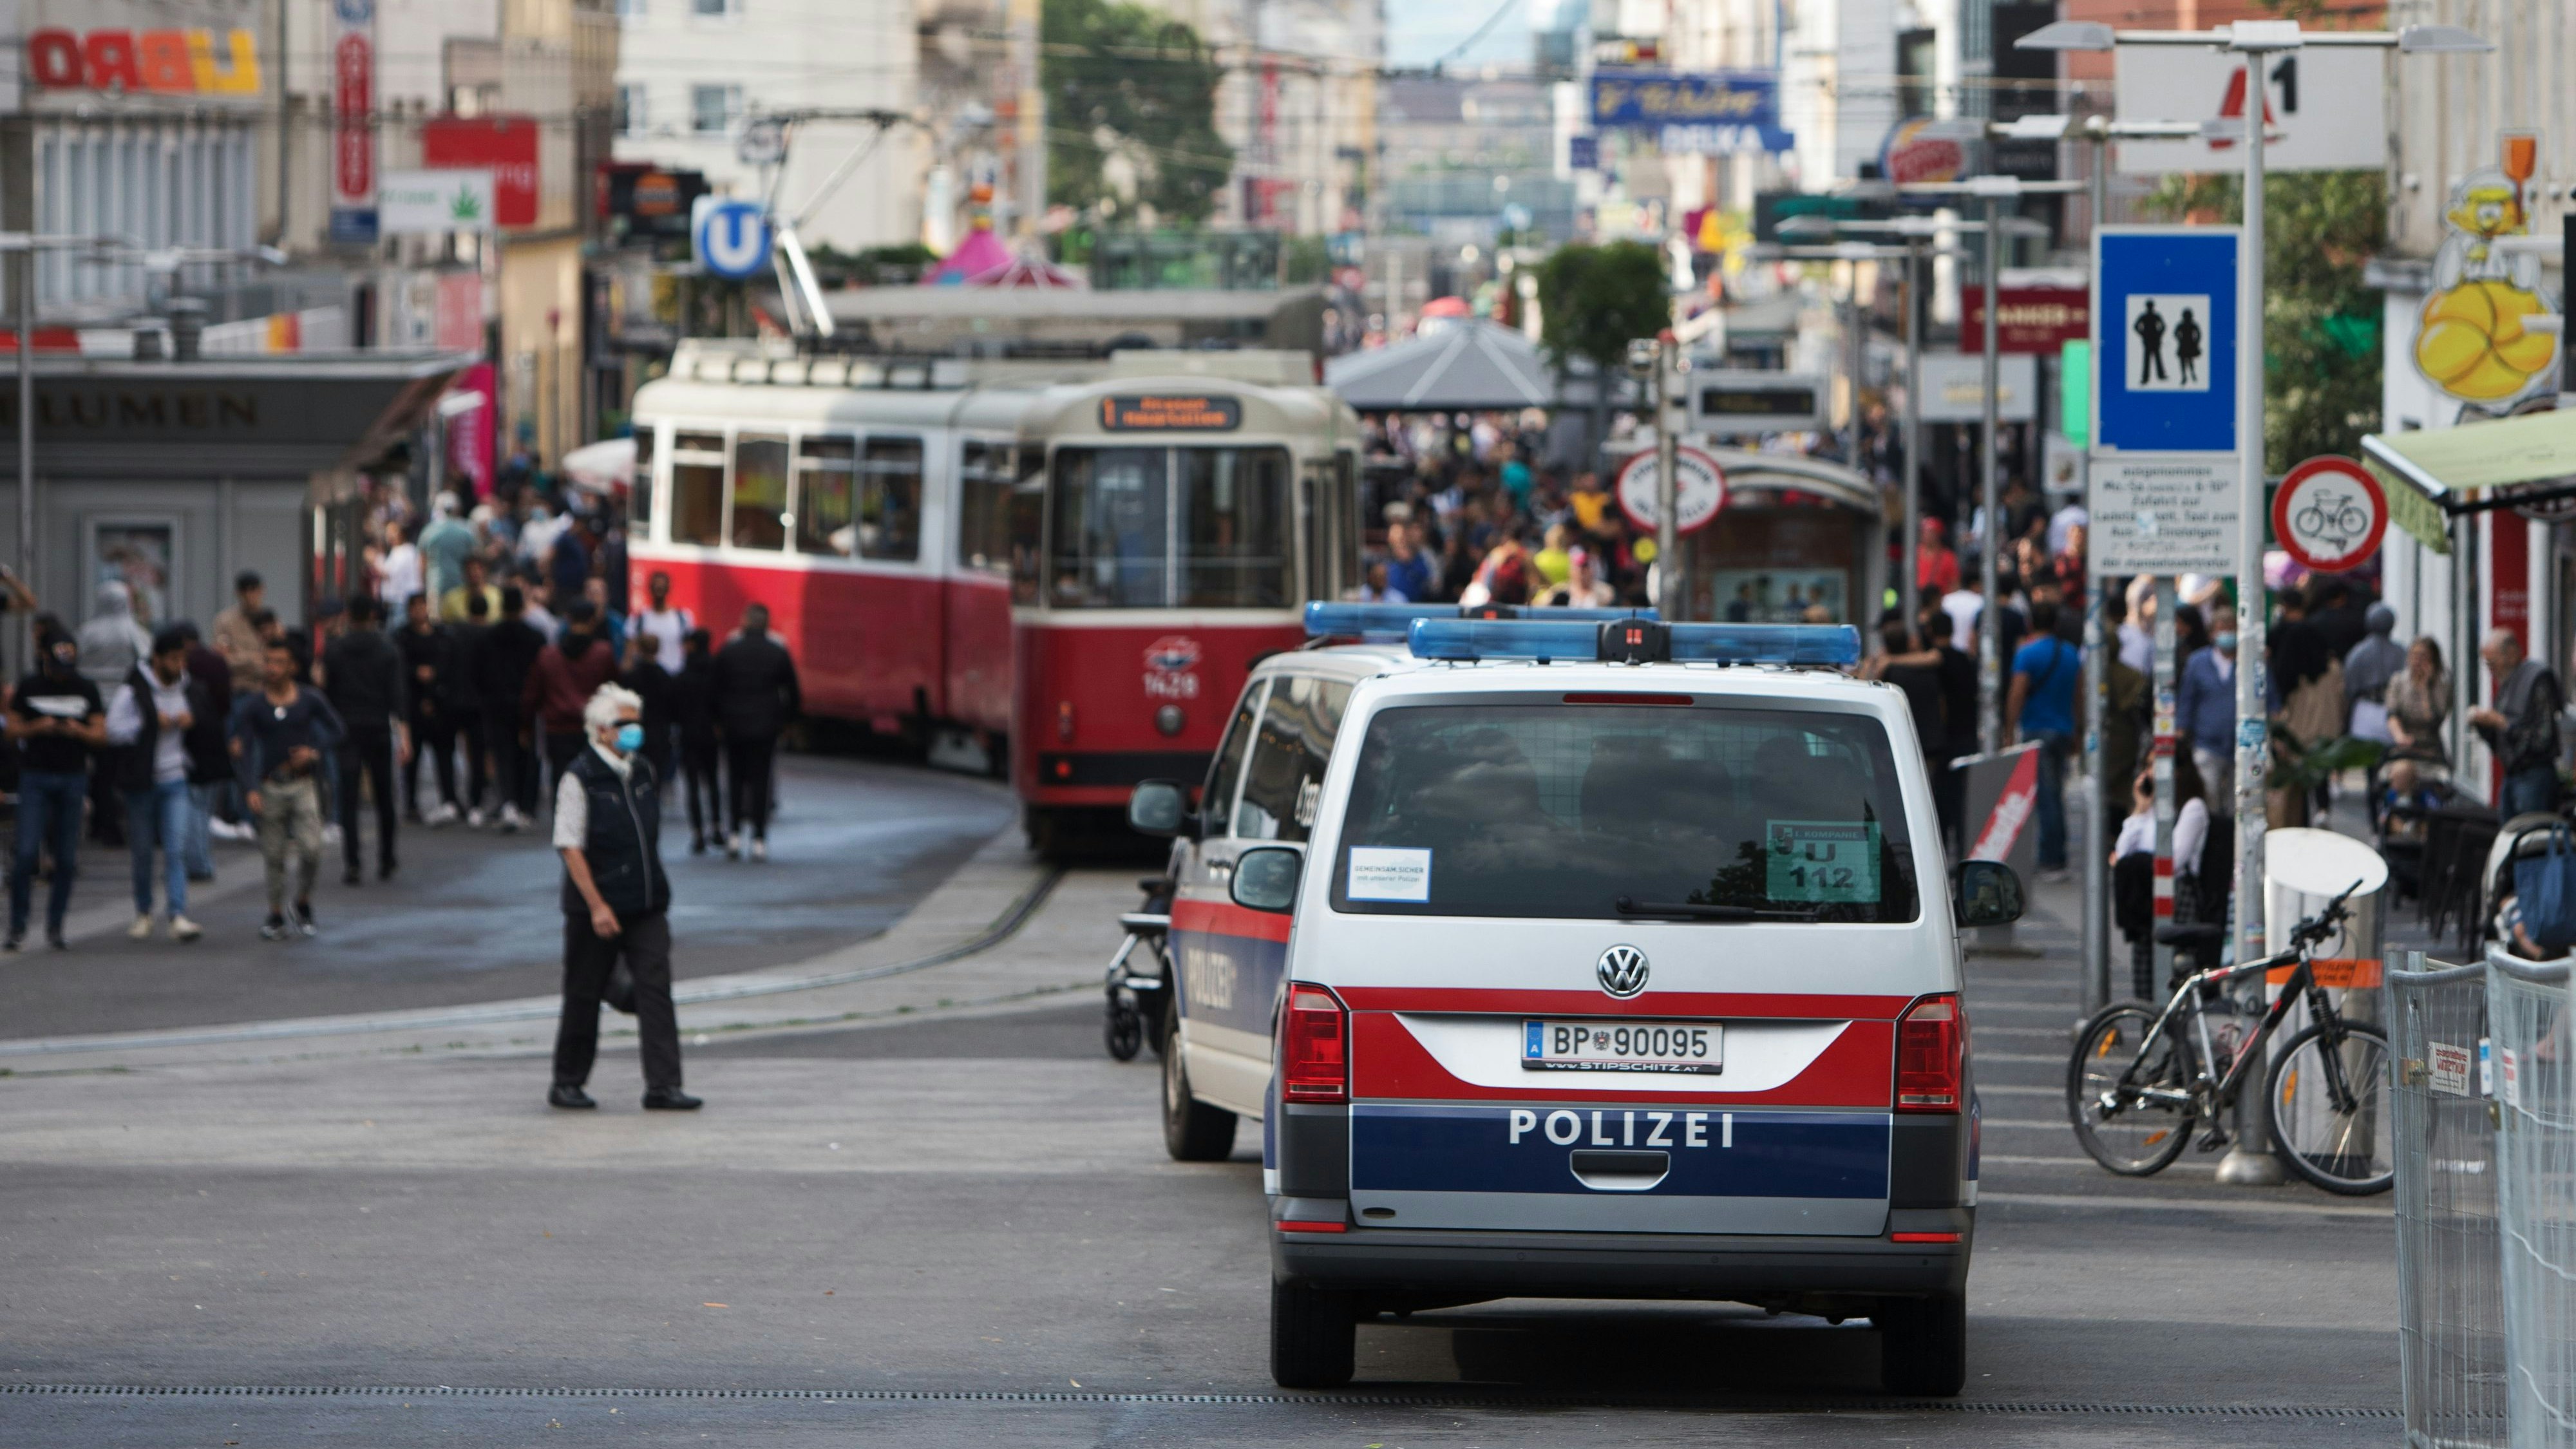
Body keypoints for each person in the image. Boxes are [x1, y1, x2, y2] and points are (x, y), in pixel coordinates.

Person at [549, 681, 699, 1113]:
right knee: (584, 991)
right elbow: (569, 845)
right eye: (625, 724)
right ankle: (567, 1081)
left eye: (637, 723)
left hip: (647, 901)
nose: (635, 731)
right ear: (601, 731)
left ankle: (664, 1085)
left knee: (656, 991)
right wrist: (596, 905)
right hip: (595, 905)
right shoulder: (580, 778)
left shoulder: (642, 771)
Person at [106, 627, 220, 942]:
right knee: (142, 851)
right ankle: (144, 911)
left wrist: (191, 720)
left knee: (176, 848)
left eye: (183, 658)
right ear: (157, 659)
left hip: (175, 778)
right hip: (141, 782)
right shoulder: (134, 689)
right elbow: (113, 730)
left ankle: (177, 913)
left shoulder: (188, 688)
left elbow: (209, 720)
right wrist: (150, 723)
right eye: (173, 659)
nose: (179, 665)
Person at [234, 641, 346, 940]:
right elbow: (241, 748)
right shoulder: (255, 705)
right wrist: (249, 788)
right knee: (274, 855)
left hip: (303, 784)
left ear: (292, 667)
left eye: (279, 662)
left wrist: (314, 752)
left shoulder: (309, 699)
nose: (272, 668)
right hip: (270, 786)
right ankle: (275, 914)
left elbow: (337, 729)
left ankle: (303, 902)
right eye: (268, 661)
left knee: (311, 848)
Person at [7, 632, 106, 951]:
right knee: (24, 853)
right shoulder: (30, 686)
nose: (65, 674)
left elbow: (101, 734)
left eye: (69, 666)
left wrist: (79, 730)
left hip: (72, 776)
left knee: (65, 857)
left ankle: (56, 924)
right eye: (59, 666)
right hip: (35, 777)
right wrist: (38, 727)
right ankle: (17, 924)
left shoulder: (86, 688)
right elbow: (11, 728)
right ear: (46, 659)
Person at [321, 594, 411, 884]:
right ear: (373, 616)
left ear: (348, 615)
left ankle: (353, 861)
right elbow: (398, 697)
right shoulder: (387, 649)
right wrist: (405, 736)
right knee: (385, 795)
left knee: (348, 796)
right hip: (377, 726)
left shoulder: (335, 650)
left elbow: (325, 689)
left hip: (346, 727)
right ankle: (387, 857)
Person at [711, 603, 801, 860]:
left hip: (734, 724)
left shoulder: (729, 651)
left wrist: (718, 719)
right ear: (767, 623)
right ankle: (760, 837)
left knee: (736, 779)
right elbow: (793, 693)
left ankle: (735, 834)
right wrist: (786, 723)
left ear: (746, 622)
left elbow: (714, 689)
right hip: (766, 726)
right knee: (761, 781)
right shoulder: (777, 653)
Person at [2005, 598, 2083, 879]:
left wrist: (2008, 730)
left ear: (2030, 624)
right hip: (2063, 730)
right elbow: (2079, 695)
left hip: (2037, 730)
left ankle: (2052, 858)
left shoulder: (2027, 654)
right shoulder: (2072, 653)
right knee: (2055, 792)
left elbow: (2016, 694)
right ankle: (2053, 853)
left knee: (2047, 797)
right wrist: (2078, 730)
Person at [525, 599, 621, 810]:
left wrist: (526, 727)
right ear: (593, 621)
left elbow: (533, 695)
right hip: (593, 728)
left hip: (557, 729)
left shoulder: (548, 655)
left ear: (568, 620)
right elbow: (613, 691)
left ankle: (566, 831)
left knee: (562, 781)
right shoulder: (603, 653)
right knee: (594, 783)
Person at [471, 585, 548, 832]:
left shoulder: (488, 638)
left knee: (502, 754)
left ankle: (508, 801)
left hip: (496, 705)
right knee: (527, 755)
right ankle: (527, 805)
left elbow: (479, 672)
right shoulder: (536, 637)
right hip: (527, 705)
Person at [2470, 629, 2561, 820]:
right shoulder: (2507, 685)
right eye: (2487, 664)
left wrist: (2504, 724)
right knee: (2509, 840)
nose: (2491, 670)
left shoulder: (2537, 679)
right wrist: (2482, 724)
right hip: (2512, 775)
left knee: (2531, 839)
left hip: (2535, 776)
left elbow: (2544, 738)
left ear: (2511, 654)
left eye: (2493, 663)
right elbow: (2498, 743)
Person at [396, 592, 460, 825]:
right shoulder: (402, 638)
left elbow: (450, 665)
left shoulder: (442, 636)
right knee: (413, 759)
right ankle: (411, 803)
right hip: (413, 705)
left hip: (440, 705)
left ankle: (450, 799)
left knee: (445, 755)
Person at [2177, 601, 2239, 805]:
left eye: (2232, 629)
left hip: (2243, 745)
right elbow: (2187, 699)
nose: (2227, 634)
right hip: (2207, 744)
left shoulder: (2251, 661)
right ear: (2212, 633)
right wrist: (2180, 729)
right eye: (2222, 630)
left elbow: (2267, 695)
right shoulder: (2198, 662)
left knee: (2240, 803)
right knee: (2207, 797)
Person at [671, 627, 724, 854]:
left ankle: (698, 833)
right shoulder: (717, 673)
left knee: (692, 784)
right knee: (712, 782)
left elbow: (673, 709)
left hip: (689, 734)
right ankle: (717, 827)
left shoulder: (683, 676)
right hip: (711, 734)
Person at [446, 589, 495, 826]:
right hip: (480, 703)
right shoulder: (490, 636)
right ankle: (476, 801)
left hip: (455, 700)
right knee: (477, 754)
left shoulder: (455, 633)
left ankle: (451, 799)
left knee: (448, 750)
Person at [2342, 603, 2408, 744]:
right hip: (2392, 711)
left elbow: (2350, 688)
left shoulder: (2358, 653)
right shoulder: (2401, 652)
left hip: (2366, 709)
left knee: (2364, 757)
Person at [620, 629, 677, 784]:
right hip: (660, 733)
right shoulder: (665, 677)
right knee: (656, 780)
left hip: (635, 733)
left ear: (639, 648)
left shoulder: (631, 677)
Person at [2387, 636, 2452, 762]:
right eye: (2414, 656)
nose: (2417, 661)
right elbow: (2392, 714)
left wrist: (2424, 689)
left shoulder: (2442, 685)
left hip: (2430, 745)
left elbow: (2435, 719)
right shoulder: (2399, 681)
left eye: (2422, 657)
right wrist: (2400, 736)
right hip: (2404, 742)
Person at [417, 492, 477, 607]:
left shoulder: (429, 531)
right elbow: (474, 559)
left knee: (437, 622)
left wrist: (423, 586)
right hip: (461, 586)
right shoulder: (466, 530)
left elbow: (422, 563)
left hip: (436, 586)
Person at [211, 570, 269, 688]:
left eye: (253, 590)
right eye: (245, 591)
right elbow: (222, 659)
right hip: (239, 686)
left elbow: (277, 656)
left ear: (261, 590)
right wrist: (252, 660)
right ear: (238, 593)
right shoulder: (225, 621)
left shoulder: (270, 619)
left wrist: (239, 657)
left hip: (267, 687)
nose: (249, 595)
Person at [632, 571, 694, 672]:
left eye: (662, 586)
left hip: (675, 677)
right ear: (650, 588)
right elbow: (630, 653)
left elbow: (690, 650)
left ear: (668, 588)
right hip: (648, 677)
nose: (659, 589)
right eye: (656, 586)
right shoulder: (638, 619)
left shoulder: (683, 618)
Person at [378, 518, 422, 620]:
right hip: (396, 602)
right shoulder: (396, 551)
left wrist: (376, 559)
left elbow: (388, 573)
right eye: (388, 532)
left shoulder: (407, 551)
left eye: (393, 531)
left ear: (401, 533)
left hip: (403, 601)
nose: (389, 535)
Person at [439, 554, 503, 624]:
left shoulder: (498, 597)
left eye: (476, 569)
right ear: (464, 573)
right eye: (469, 570)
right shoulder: (451, 599)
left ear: (485, 571)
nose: (473, 573)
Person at [1381, 520, 1434, 605]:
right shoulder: (1390, 564)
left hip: (1415, 604)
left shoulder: (1418, 560)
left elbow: (1428, 580)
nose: (1401, 551)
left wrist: (1410, 562)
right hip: (1394, 605)